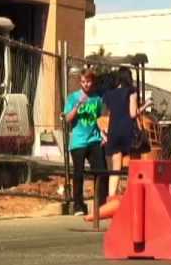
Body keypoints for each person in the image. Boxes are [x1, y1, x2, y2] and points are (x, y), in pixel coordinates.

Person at [101, 67, 152, 196]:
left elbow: (108, 113)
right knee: (133, 164)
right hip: (128, 131)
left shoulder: (109, 94)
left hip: (114, 131)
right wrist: (146, 105)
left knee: (115, 167)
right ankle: (132, 195)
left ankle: (111, 196)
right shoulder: (131, 91)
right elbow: (132, 114)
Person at [64, 69, 108, 216]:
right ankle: (78, 205)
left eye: (88, 81)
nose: (86, 85)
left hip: (94, 139)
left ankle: (101, 204)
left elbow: (98, 119)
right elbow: (67, 119)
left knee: (101, 171)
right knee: (78, 173)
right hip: (78, 141)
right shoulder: (73, 97)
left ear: (92, 81)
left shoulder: (97, 99)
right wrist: (77, 106)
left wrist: (103, 134)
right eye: (83, 82)